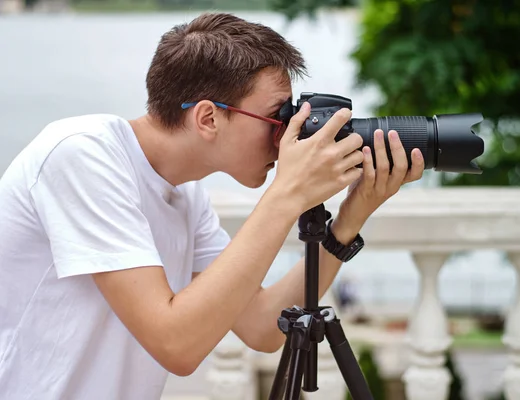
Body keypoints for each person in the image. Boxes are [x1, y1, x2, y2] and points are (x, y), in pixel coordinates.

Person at [0, 12, 424, 400]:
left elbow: (261, 325)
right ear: (208, 118)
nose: (286, 139)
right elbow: (177, 345)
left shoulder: (185, 192)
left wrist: (349, 219)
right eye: (278, 119)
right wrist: (287, 194)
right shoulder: (81, 155)